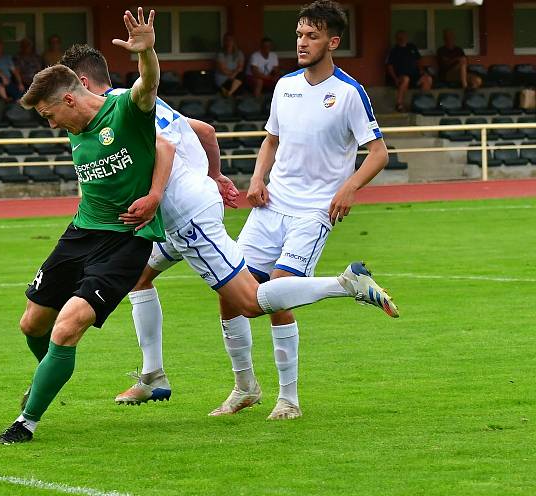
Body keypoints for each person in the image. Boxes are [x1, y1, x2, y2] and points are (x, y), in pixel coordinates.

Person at [58, 32, 399, 419]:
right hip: (181, 215)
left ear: (81, 84)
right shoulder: (136, 102)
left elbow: (164, 148)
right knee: (144, 277)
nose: (58, 110)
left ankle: (340, 293)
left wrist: (155, 195)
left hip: (189, 215)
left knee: (254, 300)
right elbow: (203, 131)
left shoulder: (123, 109)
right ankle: (169, 377)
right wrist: (218, 175)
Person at [0, 7, 169, 445]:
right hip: (80, 233)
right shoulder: (74, 126)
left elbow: (149, 90)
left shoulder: (124, 111)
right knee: (32, 323)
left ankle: (25, 424)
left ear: (70, 99)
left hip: (127, 240)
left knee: (67, 327)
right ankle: (50, 373)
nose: (51, 125)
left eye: (50, 115)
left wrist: (147, 53)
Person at [237, 0, 396, 420]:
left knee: (272, 293)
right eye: (299, 35)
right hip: (272, 205)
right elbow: (271, 139)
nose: (302, 43)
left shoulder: (348, 93)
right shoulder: (284, 85)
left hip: (313, 212)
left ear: (332, 41)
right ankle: (243, 387)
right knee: (231, 293)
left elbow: (378, 153)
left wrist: (349, 187)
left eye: (312, 36)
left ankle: (288, 400)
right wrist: (256, 179)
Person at [386, 30, 433, 112]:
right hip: (401, 76)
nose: (403, 38)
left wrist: (422, 71)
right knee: (406, 79)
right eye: (400, 37)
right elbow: (390, 66)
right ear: (397, 39)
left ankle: (423, 102)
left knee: (428, 79)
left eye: (404, 36)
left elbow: (419, 61)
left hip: (414, 76)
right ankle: (399, 104)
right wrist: (395, 79)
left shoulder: (412, 47)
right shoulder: (394, 50)